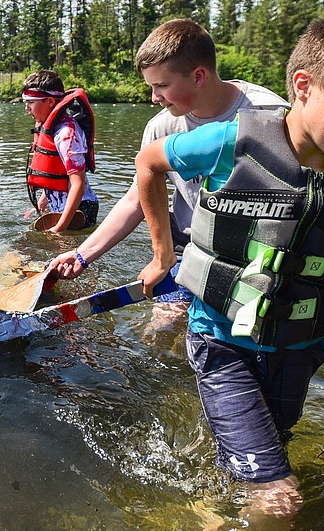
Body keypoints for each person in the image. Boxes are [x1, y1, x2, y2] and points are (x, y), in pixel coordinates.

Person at [135, 15, 324, 531]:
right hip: (221, 343)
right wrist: (160, 256)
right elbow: (149, 162)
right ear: (303, 86)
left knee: (275, 447)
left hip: (301, 348)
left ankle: (214, 517)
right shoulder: (229, 143)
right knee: (280, 495)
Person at [50, 19, 287, 340]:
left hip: (254, 260)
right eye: (151, 87)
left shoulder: (271, 116)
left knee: (242, 343)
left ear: (199, 76)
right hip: (189, 248)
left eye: (161, 86)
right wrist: (83, 254)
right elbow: (136, 198)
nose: (154, 97)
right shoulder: (161, 127)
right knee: (160, 334)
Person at [22, 69, 100, 232]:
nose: (27, 108)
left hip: (80, 210)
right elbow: (56, 172)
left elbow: (77, 183)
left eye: (31, 102)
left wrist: (60, 228)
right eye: (25, 102)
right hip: (62, 208)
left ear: (50, 101)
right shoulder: (50, 128)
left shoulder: (66, 134)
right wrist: (44, 201)